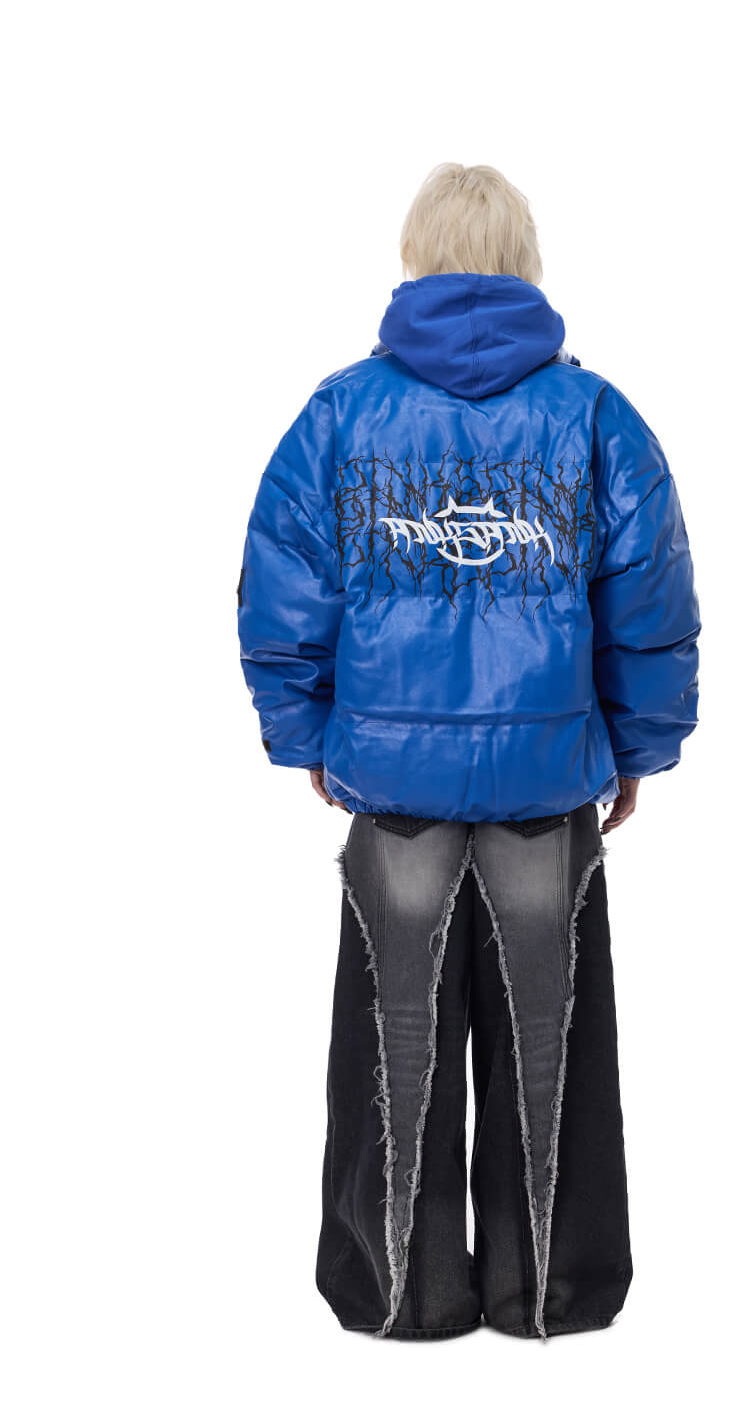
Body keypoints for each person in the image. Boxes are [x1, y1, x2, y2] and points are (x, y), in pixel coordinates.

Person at [237, 163, 700, 1340]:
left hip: (392, 785)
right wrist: (638, 746)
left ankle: (403, 1290)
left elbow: (283, 589)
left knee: (395, 1044)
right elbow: (648, 600)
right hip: (549, 784)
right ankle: (549, 1291)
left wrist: (306, 733)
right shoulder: (593, 416)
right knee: (554, 1044)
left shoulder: (341, 415)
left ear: (415, 258)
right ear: (526, 263)